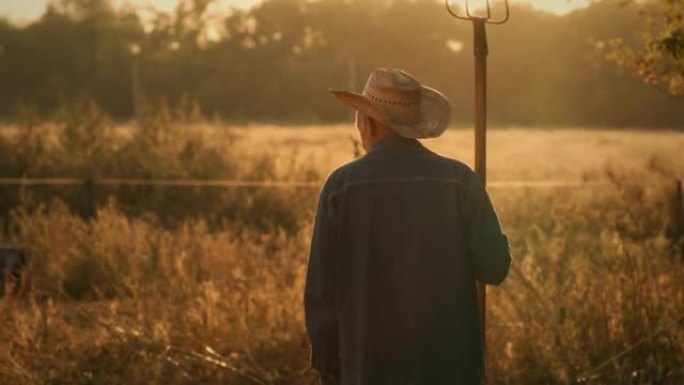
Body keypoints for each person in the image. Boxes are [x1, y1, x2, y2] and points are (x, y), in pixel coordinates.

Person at [304, 68, 511, 385]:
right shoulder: (460, 181)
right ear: (412, 126)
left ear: (367, 123)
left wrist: (329, 364)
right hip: (451, 368)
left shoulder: (341, 187)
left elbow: (321, 291)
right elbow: (494, 267)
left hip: (368, 369)